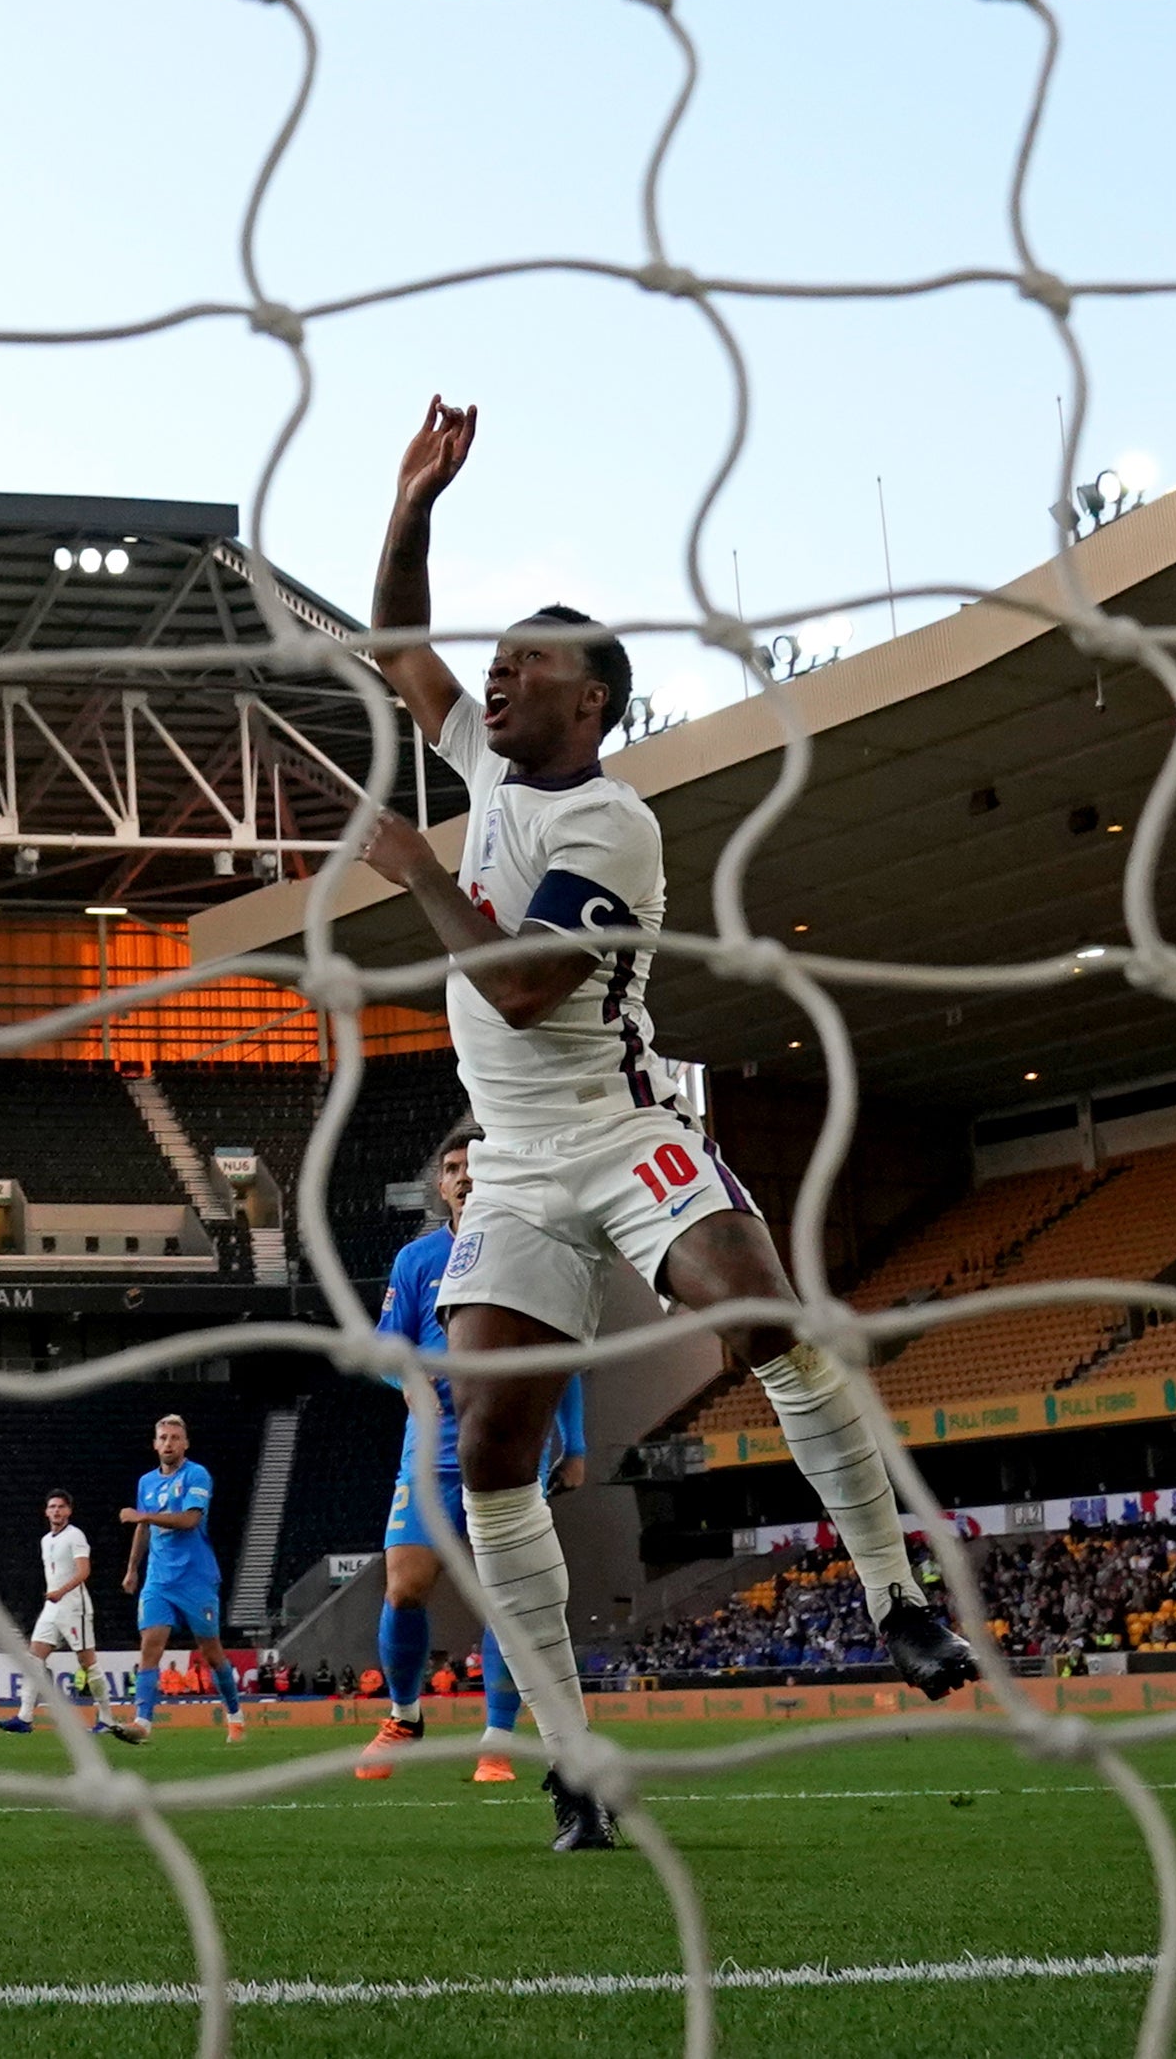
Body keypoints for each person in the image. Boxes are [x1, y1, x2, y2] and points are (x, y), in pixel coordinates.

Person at [359, 398, 972, 1856]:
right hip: (508, 1172)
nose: (492, 676)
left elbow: (515, 987)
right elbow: (395, 646)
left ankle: (892, 1589)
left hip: (617, 1129)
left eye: (527, 666)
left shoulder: (614, 824)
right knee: (494, 1449)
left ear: (593, 707)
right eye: (495, 660)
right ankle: (572, 1757)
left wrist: (413, 871)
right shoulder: (492, 767)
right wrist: (410, 504)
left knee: (759, 1314)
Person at [359, 1121, 592, 1785]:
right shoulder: (416, 1260)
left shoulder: (533, 1250)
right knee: (404, 1587)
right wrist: (409, 1386)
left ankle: (497, 1739)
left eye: (475, 1164)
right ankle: (405, 1716)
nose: (464, 1174)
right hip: (431, 1447)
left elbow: (563, 1358)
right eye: (453, 1165)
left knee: (507, 1596)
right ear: (440, 1184)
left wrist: (574, 1443)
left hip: (511, 1442)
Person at [106, 1413, 243, 1745]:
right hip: (158, 1579)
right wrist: (132, 1568)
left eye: (174, 1438)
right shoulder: (146, 1482)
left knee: (211, 1652)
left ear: (185, 1444)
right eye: (163, 1438)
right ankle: (142, 1722)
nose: (168, 1443)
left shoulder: (197, 1474)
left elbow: (190, 1520)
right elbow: (143, 1528)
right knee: (149, 1649)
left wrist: (145, 1516)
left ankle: (235, 1716)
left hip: (196, 1577)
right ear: (155, 1444)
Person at [0, 1490, 99, 1733]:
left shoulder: (76, 1536)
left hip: (73, 1606)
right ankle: (25, 1717)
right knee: (33, 1658)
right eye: (52, 1507)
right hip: (52, 1607)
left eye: (61, 1506)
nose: (56, 1511)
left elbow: (84, 1572)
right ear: (46, 1511)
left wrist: (61, 1591)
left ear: (69, 1511)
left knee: (87, 1662)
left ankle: (106, 1718)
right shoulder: (45, 1540)